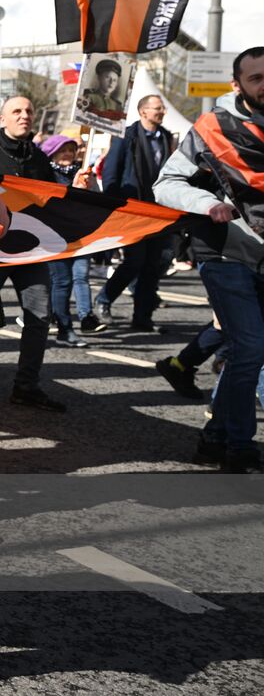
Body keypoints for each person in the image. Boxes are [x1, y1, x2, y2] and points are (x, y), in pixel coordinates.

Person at [153, 46, 264, 474]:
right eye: (256, 78)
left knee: (247, 352)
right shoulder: (214, 128)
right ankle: (240, 446)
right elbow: (166, 183)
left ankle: (215, 437)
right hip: (225, 250)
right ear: (238, 85)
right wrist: (206, 203)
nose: (263, 84)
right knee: (251, 347)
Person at [0, 96, 66, 411]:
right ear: (2, 119)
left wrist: (77, 188)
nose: (25, 115)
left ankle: (26, 386)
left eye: (29, 110)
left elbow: (55, 200)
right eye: (16, 111)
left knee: (39, 317)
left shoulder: (39, 158)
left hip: (31, 252)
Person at [96, 94, 175, 330]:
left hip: (159, 212)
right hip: (132, 210)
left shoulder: (167, 137)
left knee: (154, 263)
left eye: (162, 108)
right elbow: (111, 173)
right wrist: (114, 207)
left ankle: (142, 317)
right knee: (134, 261)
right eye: (157, 108)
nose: (162, 112)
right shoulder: (125, 136)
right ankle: (104, 299)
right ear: (143, 112)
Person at [39, 134, 95, 346]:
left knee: (79, 276)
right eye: (63, 150)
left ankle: (77, 315)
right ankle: (65, 327)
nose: (68, 155)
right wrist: (73, 189)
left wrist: (87, 187)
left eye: (71, 150)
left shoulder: (83, 173)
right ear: (52, 152)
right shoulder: (47, 174)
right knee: (62, 281)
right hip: (55, 235)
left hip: (81, 235)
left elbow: (98, 201)